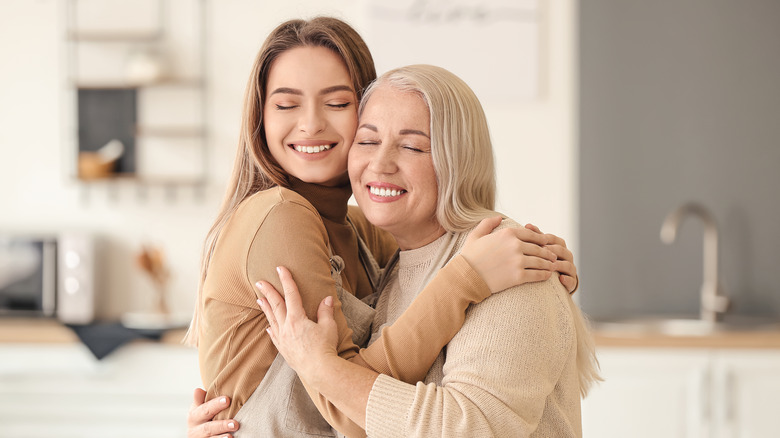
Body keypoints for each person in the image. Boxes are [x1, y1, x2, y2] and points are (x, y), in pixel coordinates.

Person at [185, 17, 580, 438]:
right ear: (260, 118)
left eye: (337, 103)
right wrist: (468, 279)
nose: (311, 124)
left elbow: (437, 255)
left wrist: (542, 261)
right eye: (286, 105)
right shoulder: (280, 215)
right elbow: (352, 415)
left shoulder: (364, 230)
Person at [256, 64, 601, 437]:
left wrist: (321, 368)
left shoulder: (510, 265)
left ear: (458, 160)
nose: (380, 163)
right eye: (368, 141)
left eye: (412, 146)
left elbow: (468, 429)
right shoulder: (391, 260)